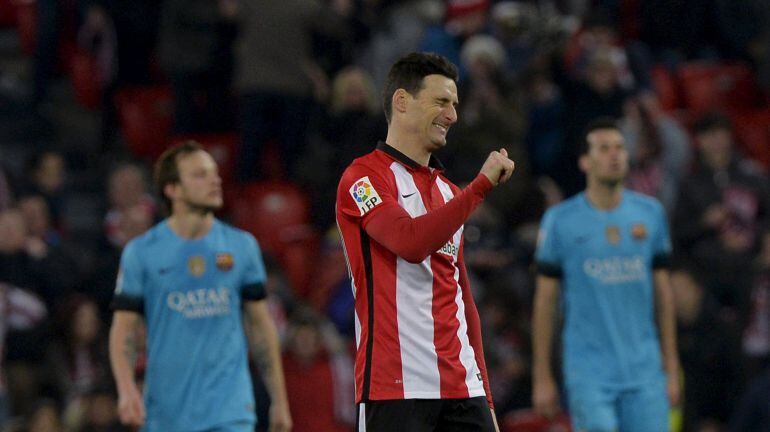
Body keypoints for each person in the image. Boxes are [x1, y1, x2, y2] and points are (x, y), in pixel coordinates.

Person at [335, 52, 515, 431]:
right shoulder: (363, 179)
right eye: (441, 101)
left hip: (463, 387)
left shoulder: (450, 193)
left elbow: (463, 301)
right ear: (402, 101)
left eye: (455, 104)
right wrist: (480, 186)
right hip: (395, 388)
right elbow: (409, 241)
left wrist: (487, 396)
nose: (452, 115)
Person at [108, 142, 291, 432]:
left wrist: (279, 400)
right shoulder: (141, 253)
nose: (214, 180)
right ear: (173, 189)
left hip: (230, 409)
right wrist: (127, 388)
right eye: (200, 175)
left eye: (214, 173)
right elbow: (123, 330)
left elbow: (260, 325)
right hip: (165, 412)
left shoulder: (242, 246)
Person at [532, 117, 681, 431]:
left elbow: (663, 295)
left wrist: (671, 365)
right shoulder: (560, 221)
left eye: (619, 148)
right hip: (589, 375)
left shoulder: (651, 214)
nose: (614, 155)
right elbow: (545, 303)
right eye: (603, 149)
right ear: (585, 161)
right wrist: (542, 375)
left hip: (646, 373)